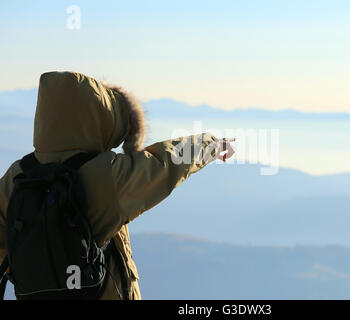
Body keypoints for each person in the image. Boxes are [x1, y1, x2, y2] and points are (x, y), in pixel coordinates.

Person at [0, 71, 235, 299]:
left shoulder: (17, 175)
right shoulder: (106, 174)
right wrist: (213, 144)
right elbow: (166, 163)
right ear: (97, 118)